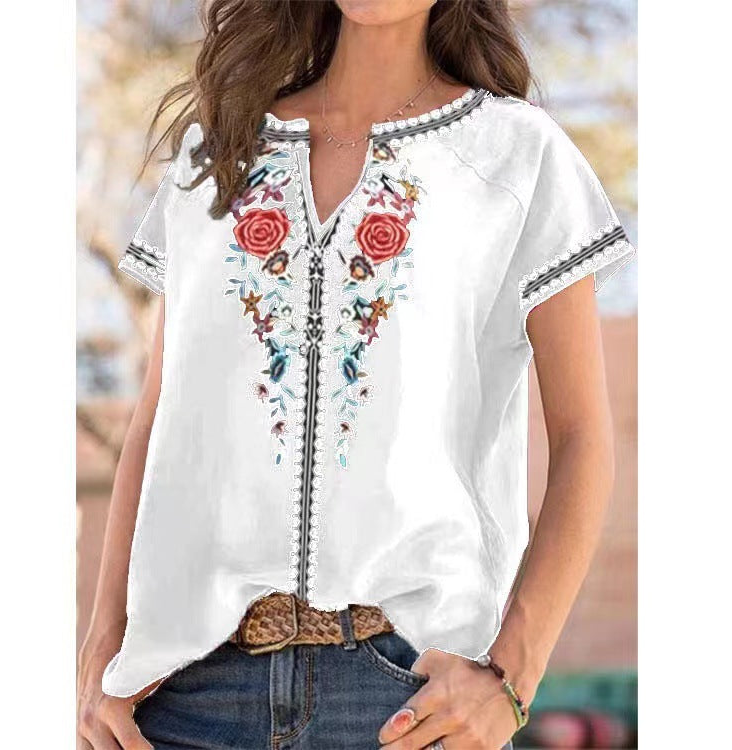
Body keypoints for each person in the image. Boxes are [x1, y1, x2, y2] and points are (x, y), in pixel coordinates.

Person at [76, 1, 637, 748]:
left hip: (406, 695)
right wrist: (102, 647)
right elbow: (157, 416)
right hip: (185, 696)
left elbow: (582, 437)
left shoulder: (516, 156)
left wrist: (511, 677)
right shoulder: (219, 153)